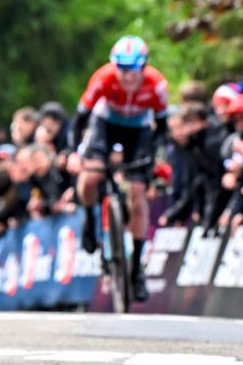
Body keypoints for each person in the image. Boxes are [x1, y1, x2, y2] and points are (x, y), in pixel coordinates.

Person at [73, 35, 168, 303]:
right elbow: (79, 119)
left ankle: (136, 269)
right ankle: (90, 220)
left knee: (137, 196)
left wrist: (157, 156)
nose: (127, 78)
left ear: (144, 67)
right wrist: (72, 153)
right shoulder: (103, 78)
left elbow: (162, 127)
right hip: (105, 125)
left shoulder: (157, 84)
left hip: (138, 132)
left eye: (133, 71)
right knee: (90, 178)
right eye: (122, 70)